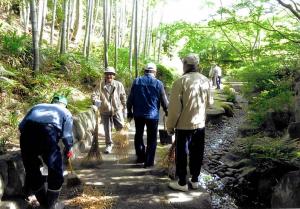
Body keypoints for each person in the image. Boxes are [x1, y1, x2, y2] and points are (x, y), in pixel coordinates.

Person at [167, 54, 213, 192]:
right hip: (200, 124)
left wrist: (170, 127)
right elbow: (210, 103)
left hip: (184, 125)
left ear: (185, 65)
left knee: (182, 153)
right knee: (197, 152)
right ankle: (195, 180)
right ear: (197, 65)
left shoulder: (180, 81)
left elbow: (175, 110)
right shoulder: (205, 80)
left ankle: (182, 182)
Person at [19, 95, 74, 209]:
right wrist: (69, 148)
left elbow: (21, 126)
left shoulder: (37, 106)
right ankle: (51, 204)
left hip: (27, 133)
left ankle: (43, 203)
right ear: (65, 105)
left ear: (52, 102)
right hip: (48, 133)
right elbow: (67, 136)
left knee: (32, 168)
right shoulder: (66, 112)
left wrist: (33, 144)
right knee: (55, 170)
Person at [127, 63, 169, 168]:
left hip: (138, 115)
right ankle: (149, 162)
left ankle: (141, 157)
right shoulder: (158, 83)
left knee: (138, 135)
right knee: (152, 138)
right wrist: (167, 111)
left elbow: (130, 99)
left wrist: (129, 111)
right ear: (154, 72)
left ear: (145, 71)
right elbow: (164, 100)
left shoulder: (136, 81)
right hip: (153, 116)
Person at [91, 66, 126, 154]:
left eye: (111, 74)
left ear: (114, 76)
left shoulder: (118, 85)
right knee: (107, 129)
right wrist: (95, 101)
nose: (109, 76)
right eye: (107, 74)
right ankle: (109, 145)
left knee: (120, 126)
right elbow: (94, 95)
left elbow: (123, 96)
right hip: (105, 110)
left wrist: (125, 107)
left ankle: (121, 142)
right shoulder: (100, 85)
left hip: (117, 109)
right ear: (104, 75)